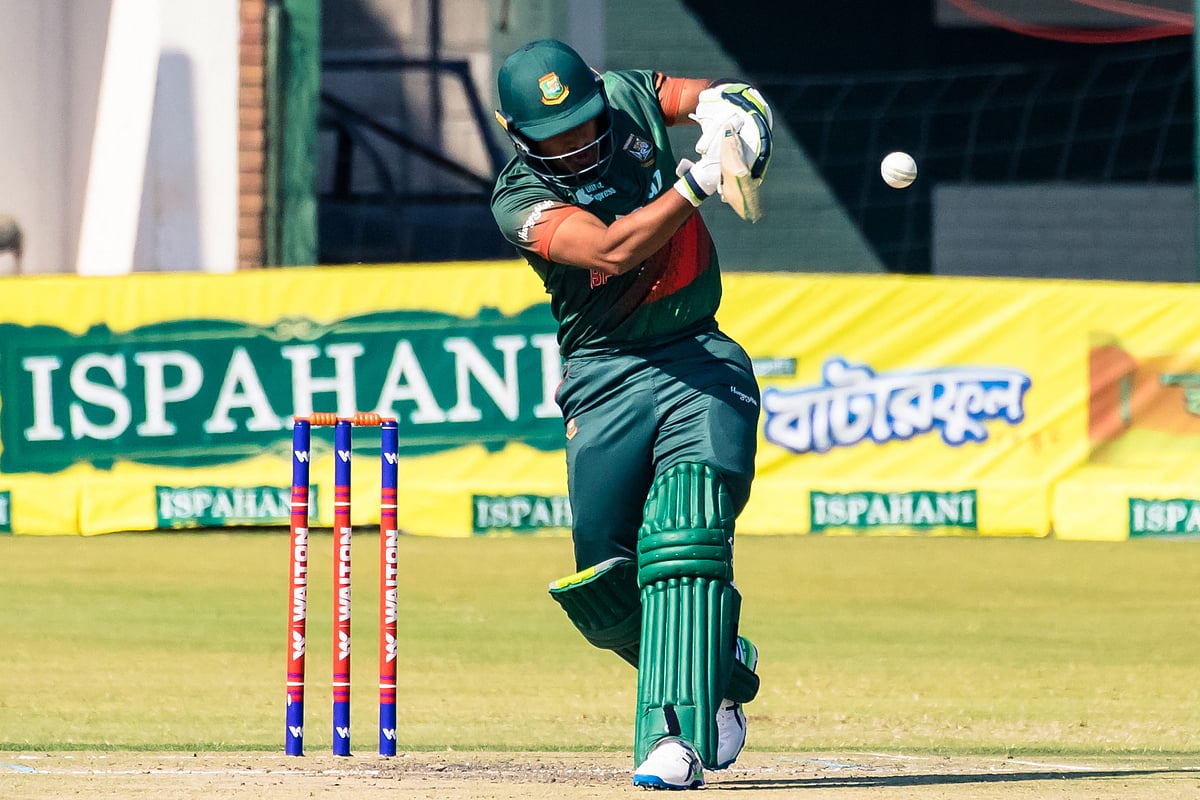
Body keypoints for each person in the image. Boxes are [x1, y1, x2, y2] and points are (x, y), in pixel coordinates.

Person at [490, 39, 773, 790]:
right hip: (604, 374)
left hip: (697, 360)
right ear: (516, 134)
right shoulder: (518, 201)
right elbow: (612, 252)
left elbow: (705, 94)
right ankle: (717, 666)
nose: (578, 145)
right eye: (554, 138)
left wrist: (731, 113)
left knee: (688, 529)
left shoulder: (624, 95)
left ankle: (671, 742)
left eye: (583, 124)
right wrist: (699, 182)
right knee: (603, 586)